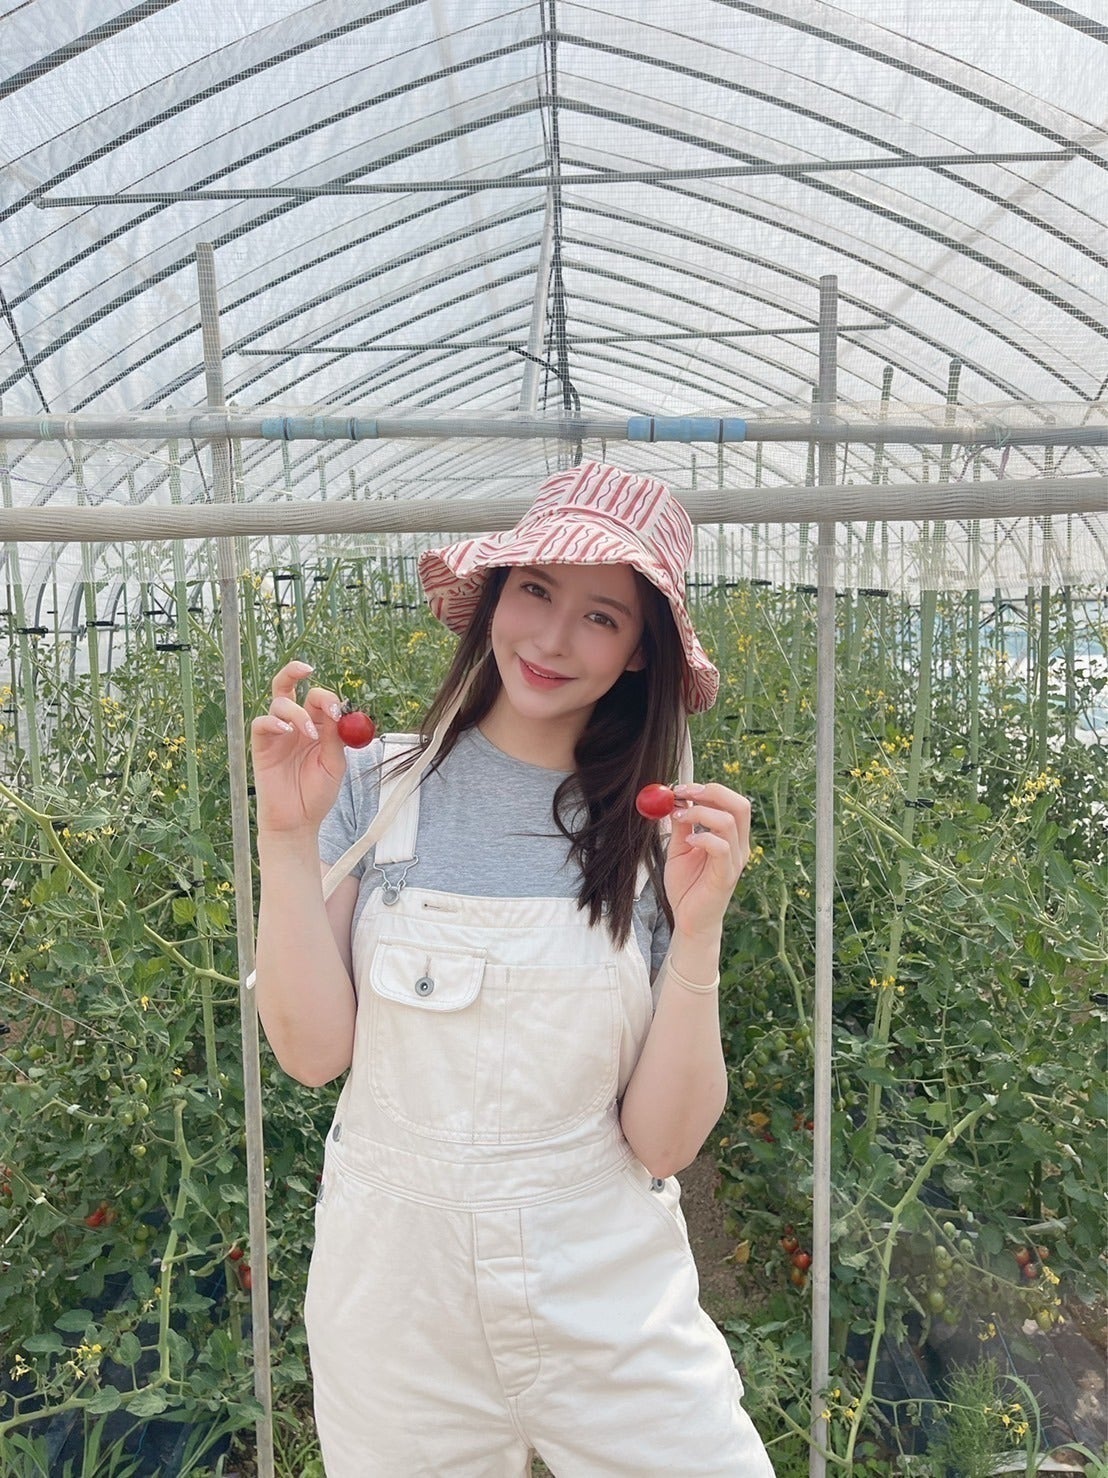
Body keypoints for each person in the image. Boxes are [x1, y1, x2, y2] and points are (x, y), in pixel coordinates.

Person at [250, 461, 776, 1476]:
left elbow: (663, 1141)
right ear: (494, 595)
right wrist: (285, 835)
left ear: (637, 653)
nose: (551, 638)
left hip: (606, 1291)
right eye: (536, 589)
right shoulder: (375, 783)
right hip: (396, 1301)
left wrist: (699, 929)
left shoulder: (655, 833)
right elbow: (312, 1053)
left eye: (601, 617)